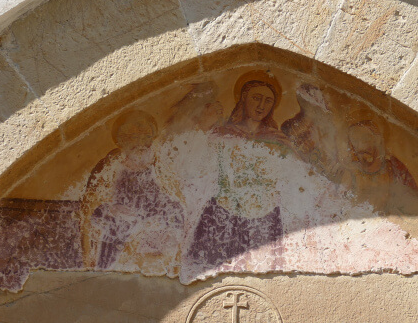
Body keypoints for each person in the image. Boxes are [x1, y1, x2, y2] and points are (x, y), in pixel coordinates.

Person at [185, 70, 287, 273]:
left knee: (263, 272)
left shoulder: (279, 140)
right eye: (256, 98)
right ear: (243, 99)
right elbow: (195, 165)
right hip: (222, 213)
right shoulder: (222, 134)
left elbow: (292, 178)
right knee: (207, 269)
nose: (261, 106)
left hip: (264, 215)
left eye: (268, 101)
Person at [79, 109, 185, 276]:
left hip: (156, 230)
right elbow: (90, 207)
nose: (140, 141)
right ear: (121, 140)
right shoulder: (111, 165)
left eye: (145, 136)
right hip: (120, 232)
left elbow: (177, 198)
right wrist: (88, 252)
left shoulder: (161, 164)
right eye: (133, 136)